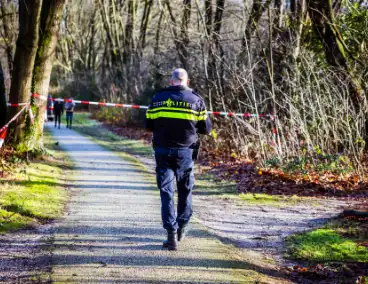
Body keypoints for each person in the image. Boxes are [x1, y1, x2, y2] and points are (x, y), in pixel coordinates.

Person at [145, 68, 212, 251]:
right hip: (186, 153)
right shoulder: (196, 100)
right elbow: (206, 129)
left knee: (166, 192)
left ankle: (171, 235)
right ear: (187, 81)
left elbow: (148, 125)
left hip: (163, 151)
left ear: (171, 80)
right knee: (185, 190)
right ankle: (182, 226)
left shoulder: (157, 98)